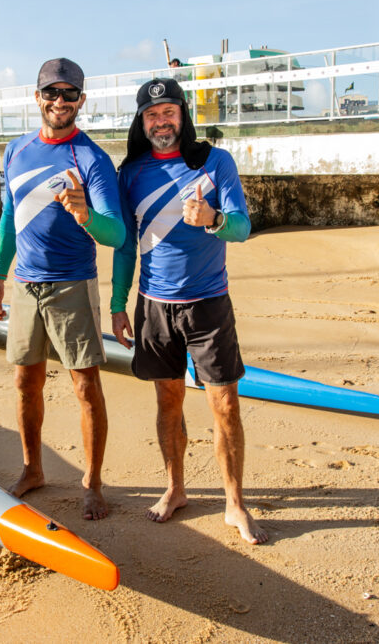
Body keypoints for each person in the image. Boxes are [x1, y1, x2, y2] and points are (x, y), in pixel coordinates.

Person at [110, 77, 268, 544]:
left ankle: (235, 504)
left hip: (208, 305)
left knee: (225, 406)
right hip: (155, 306)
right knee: (167, 403)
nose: (162, 121)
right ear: (143, 123)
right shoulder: (131, 172)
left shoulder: (214, 162)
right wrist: (119, 304)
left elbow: (241, 228)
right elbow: (123, 247)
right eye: (152, 115)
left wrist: (214, 220)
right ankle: (175, 488)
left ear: (183, 115)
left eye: (169, 112)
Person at [0, 57, 125, 521]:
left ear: (82, 101)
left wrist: (86, 214)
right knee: (26, 381)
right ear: (37, 97)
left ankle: (92, 482)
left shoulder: (91, 159)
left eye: (69, 94)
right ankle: (32, 469)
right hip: (25, 284)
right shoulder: (15, 151)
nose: (60, 102)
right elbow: (9, 217)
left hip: (72, 284)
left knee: (85, 386)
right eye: (52, 93)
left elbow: (116, 235)